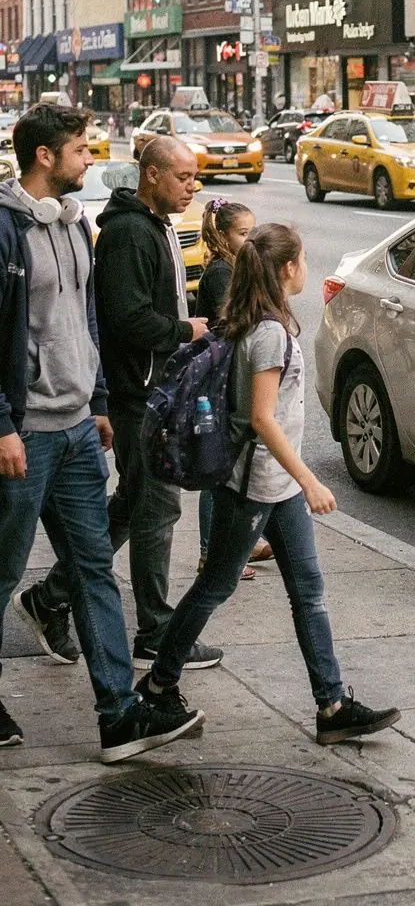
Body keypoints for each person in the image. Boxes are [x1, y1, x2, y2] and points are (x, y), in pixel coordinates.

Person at [136, 222, 402, 746]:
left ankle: (331, 705)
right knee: (216, 585)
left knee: (309, 590)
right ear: (286, 269)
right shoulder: (270, 333)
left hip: (275, 488)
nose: (306, 267)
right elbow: (262, 417)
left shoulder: (260, 322)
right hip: (257, 486)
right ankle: (160, 685)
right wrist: (309, 480)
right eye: (301, 259)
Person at [0, 103, 202, 760]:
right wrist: (2, 425)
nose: (91, 160)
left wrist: (100, 400)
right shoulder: (8, 231)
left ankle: (118, 716)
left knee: (92, 570)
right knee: (2, 573)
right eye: (82, 150)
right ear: (45, 157)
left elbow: (84, 321)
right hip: (24, 434)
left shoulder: (72, 224)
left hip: (79, 429)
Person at [23, 137, 222, 672]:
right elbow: (125, 319)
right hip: (138, 393)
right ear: (152, 175)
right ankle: (155, 631)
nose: (192, 186)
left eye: (194, 176)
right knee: (157, 508)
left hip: (149, 388)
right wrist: (187, 330)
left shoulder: (152, 226)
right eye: (183, 177)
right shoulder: (130, 233)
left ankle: (50, 597)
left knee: (137, 503)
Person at [196, 198, 270, 581]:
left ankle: (242, 543)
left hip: (228, 377)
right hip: (222, 381)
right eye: (244, 234)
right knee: (218, 473)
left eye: (253, 233)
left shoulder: (235, 267)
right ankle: (213, 554)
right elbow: (231, 325)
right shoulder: (222, 272)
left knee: (233, 467)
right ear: (221, 235)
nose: (251, 240)